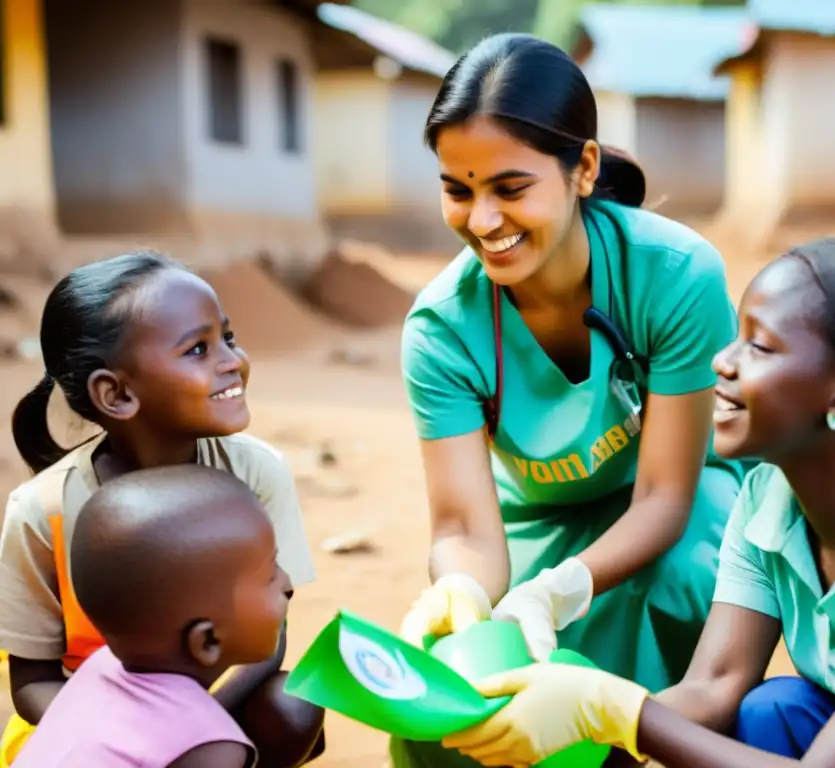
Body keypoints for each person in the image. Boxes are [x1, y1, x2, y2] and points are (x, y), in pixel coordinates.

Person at [439, 238, 835, 768]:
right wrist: (588, 747)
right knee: (772, 710)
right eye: (736, 337)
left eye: (760, 346)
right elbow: (714, 686)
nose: (723, 361)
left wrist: (616, 709)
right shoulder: (770, 498)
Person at [394, 32, 748, 766]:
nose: (482, 222)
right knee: (460, 695)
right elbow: (465, 524)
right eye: (457, 191)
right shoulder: (440, 329)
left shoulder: (674, 275)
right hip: (532, 526)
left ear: (583, 167)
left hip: (671, 511)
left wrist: (563, 589)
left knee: (682, 576)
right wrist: (462, 588)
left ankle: (661, 736)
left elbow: (666, 493)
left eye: (510, 188)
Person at [0, 252, 325, 766]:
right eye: (199, 348)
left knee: (293, 706)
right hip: (86, 727)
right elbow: (33, 682)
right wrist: (144, 734)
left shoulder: (256, 472)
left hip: (215, 700)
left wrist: (194, 730)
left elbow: (270, 635)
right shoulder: (43, 511)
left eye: (229, 339)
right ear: (116, 393)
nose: (233, 361)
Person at [16, 465, 293, 767]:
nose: (288, 586)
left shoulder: (99, 666)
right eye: (271, 575)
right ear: (207, 640)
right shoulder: (210, 749)